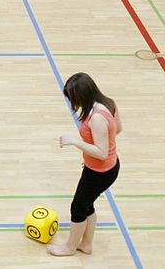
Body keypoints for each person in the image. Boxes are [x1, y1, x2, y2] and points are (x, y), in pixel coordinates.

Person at [48, 72, 122, 256]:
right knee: (87, 204)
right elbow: (118, 129)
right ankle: (86, 244)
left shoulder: (96, 118)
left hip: (100, 172)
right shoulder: (108, 103)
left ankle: (70, 247)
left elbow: (102, 153)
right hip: (104, 168)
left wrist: (75, 141)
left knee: (78, 208)